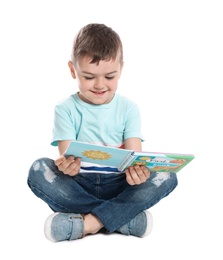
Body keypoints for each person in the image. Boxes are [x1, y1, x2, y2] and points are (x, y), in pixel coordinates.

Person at [27, 23, 178, 242]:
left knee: (167, 175)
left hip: (120, 186)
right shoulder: (65, 109)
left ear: (121, 69)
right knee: (39, 169)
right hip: (78, 186)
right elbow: (67, 158)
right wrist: (67, 167)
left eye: (109, 77)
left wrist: (138, 174)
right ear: (72, 70)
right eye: (88, 77)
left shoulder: (129, 108)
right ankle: (122, 218)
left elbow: (135, 158)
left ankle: (88, 223)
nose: (100, 85)